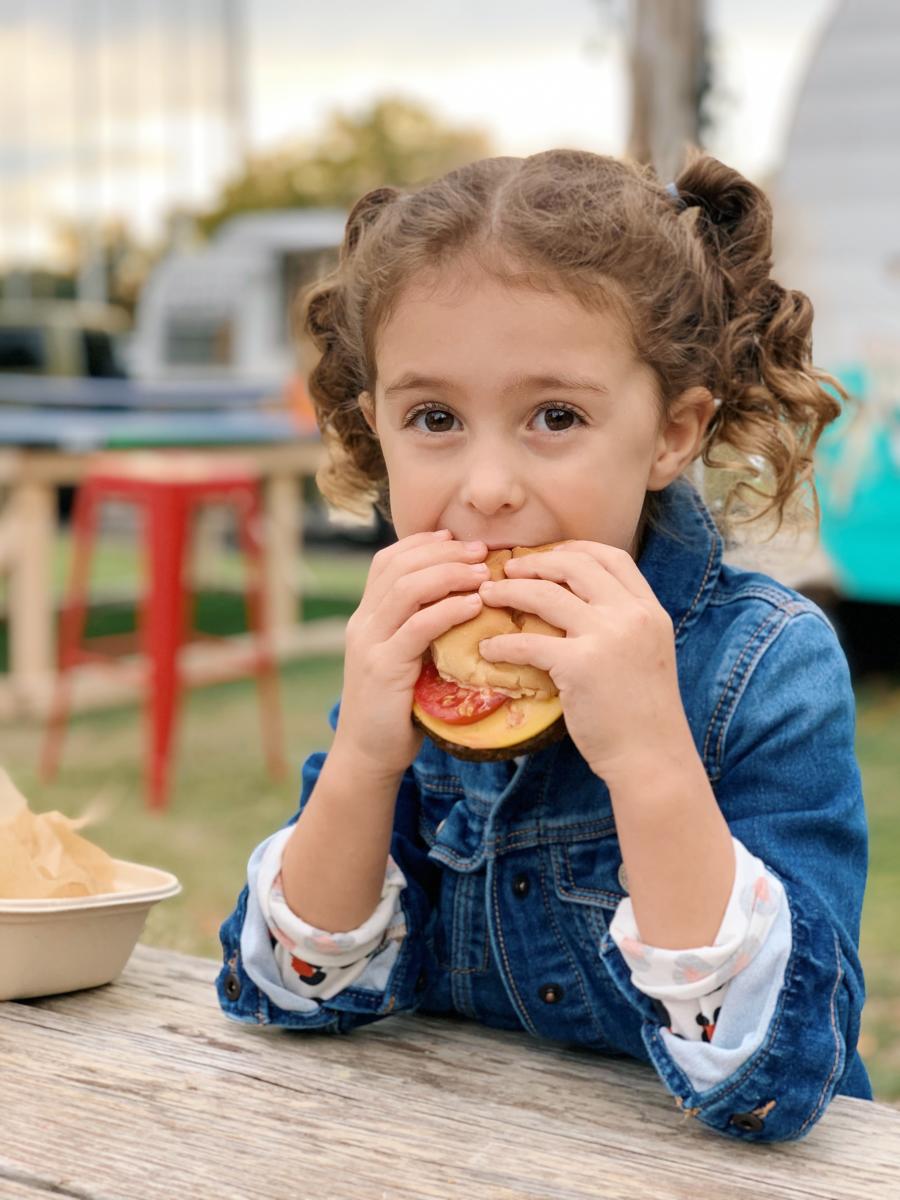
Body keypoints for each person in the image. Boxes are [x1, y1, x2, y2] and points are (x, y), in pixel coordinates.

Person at [216, 149, 870, 1142]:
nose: (486, 486)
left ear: (671, 433)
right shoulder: (417, 655)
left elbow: (775, 1076)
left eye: (554, 416)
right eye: (434, 417)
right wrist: (363, 758)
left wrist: (652, 755)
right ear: (376, 428)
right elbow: (294, 993)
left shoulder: (766, 666)